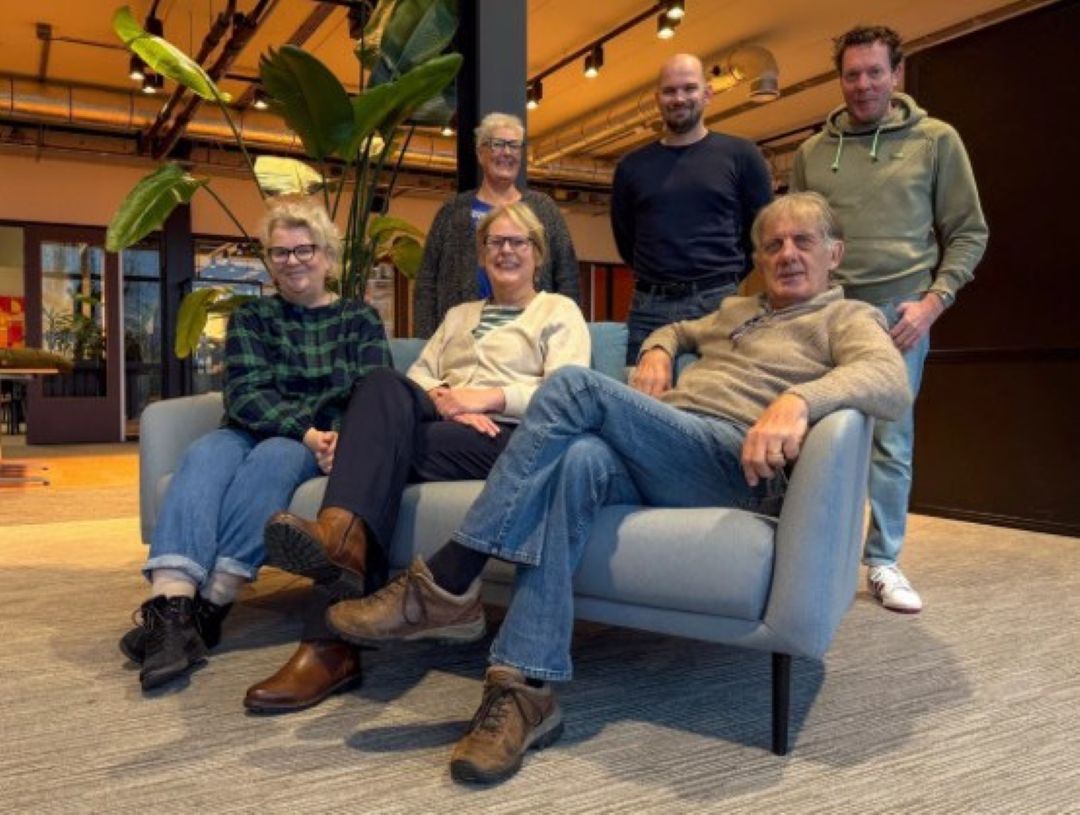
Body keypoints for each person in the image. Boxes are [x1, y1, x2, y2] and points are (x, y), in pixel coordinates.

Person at [326, 192, 912, 784]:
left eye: (803, 241)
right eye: (773, 244)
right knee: (577, 460)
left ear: (834, 253)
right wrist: (658, 348)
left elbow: (890, 379)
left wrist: (799, 400)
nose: (787, 254)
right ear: (758, 257)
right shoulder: (738, 310)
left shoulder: (848, 317)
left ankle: (451, 579)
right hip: (669, 447)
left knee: (572, 387)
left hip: (732, 460)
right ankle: (525, 689)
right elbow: (679, 328)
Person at [245, 201, 591, 713]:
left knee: (372, 454)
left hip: (510, 437)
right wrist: (448, 401)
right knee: (381, 383)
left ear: (537, 254)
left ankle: (328, 642)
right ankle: (342, 545)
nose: (506, 251)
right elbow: (419, 377)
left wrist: (488, 398)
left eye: (518, 242)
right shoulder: (459, 315)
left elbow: (567, 394)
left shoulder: (558, 312)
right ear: (482, 255)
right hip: (446, 427)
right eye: (495, 242)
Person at [120, 197, 390, 691]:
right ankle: (173, 612)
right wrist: (305, 429)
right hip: (252, 427)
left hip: (307, 442)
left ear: (327, 256)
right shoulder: (253, 317)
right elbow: (245, 393)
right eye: (280, 252)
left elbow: (374, 392)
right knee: (204, 453)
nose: (293, 261)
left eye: (305, 249)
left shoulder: (359, 319)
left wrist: (338, 440)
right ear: (269, 261)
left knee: (275, 457)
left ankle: (213, 603)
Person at [790, 25, 988, 613]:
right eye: (852, 74)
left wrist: (933, 303)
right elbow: (798, 238)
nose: (863, 85)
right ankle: (817, 553)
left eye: (875, 72)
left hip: (899, 312)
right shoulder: (812, 153)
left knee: (890, 442)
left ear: (896, 74)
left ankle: (882, 561)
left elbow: (969, 232)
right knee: (817, 435)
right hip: (830, 312)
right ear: (840, 79)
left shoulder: (936, 140)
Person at [611, 53, 773, 365]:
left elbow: (762, 231)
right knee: (637, 391)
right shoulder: (631, 167)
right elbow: (625, 239)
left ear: (708, 93)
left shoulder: (742, 155)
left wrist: (721, 277)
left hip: (718, 304)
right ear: (657, 98)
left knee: (716, 390)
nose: (679, 98)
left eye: (689, 88)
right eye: (669, 91)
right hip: (648, 307)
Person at [413, 112, 581, 338]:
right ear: (480, 153)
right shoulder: (452, 212)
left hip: (531, 336)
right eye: (498, 144)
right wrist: (427, 340)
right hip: (462, 337)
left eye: (514, 145)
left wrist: (566, 332)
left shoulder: (544, 209)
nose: (507, 152)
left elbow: (568, 278)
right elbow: (426, 283)